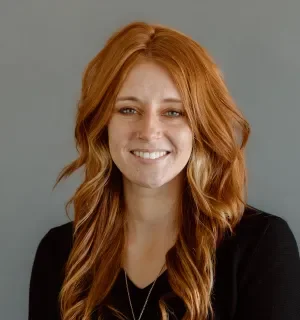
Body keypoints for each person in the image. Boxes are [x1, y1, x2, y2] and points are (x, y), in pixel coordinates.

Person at [28, 21, 300, 320]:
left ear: (201, 126)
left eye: (173, 112)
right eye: (128, 109)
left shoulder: (259, 246)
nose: (149, 131)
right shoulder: (61, 253)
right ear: (102, 124)